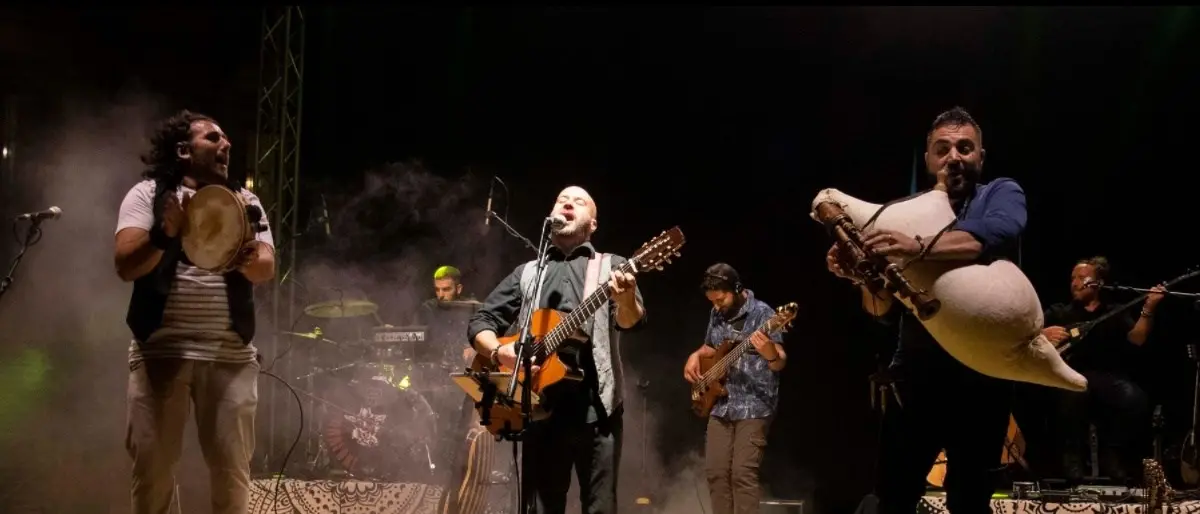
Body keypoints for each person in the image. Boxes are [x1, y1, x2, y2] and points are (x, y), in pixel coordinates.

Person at [826, 107, 1023, 514]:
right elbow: (881, 310)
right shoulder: (902, 212)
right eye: (943, 148)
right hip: (916, 376)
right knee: (893, 497)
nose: (954, 156)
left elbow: (994, 234)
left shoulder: (999, 193)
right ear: (929, 159)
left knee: (970, 500)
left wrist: (913, 246)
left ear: (980, 157)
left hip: (981, 378)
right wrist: (860, 275)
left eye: (965, 148)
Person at [114, 110, 275, 514]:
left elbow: (266, 268)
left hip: (229, 356)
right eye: (214, 137)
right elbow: (126, 265)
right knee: (153, 477)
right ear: (184, 150)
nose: (227, 144)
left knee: (231, 476)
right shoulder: (148, 196)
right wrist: (165, 233)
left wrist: (238, 250)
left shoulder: (245, 202)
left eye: (226, 138)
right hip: (160, 352)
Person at [467, 185, 647, 514]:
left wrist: (625, 300)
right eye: (561, 199)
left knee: (600, 507)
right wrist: (498, 353)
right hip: (537, 409)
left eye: (578, 202)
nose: (567, 203)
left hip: (596, 411)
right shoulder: (528, 272)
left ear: (593, 224)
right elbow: (481, 320)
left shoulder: (612, 267)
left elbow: (630, 320)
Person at [1036, 256, 1163, 482]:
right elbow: (1024, 332)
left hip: (1106, 377)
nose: (1075, 283)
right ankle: (1072, 460)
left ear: (1099, 283)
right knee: (1074, 394)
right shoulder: (1059, 312)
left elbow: (1137, 339)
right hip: (1069, 377)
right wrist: (1041, 334)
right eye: (1072, 278)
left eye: (1082, 278)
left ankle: (1111, 454)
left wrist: (1149, 307)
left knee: (1134, 398)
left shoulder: (1113, 312)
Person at [683, 263, 786, 514]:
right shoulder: (717, 313)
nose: (716, 306)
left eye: (720, 299)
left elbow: (779, 361)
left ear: (737, 288)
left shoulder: (764, 314)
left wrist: (769, 352)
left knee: (742, 474)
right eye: (712, 302)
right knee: (716, 473)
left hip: (755, 405)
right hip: (721, 405)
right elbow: (711, 346)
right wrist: (695, 356)